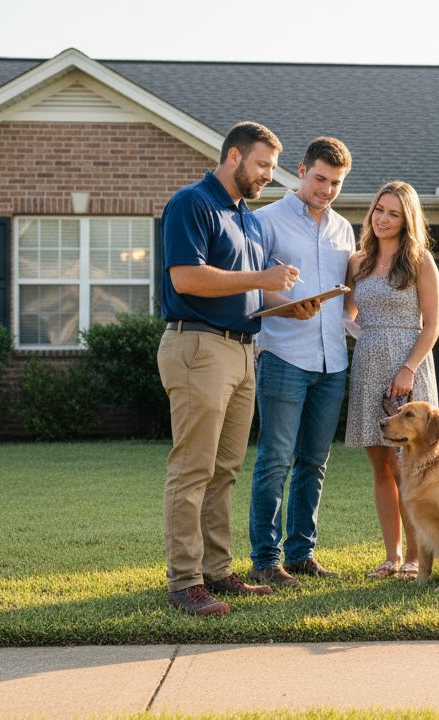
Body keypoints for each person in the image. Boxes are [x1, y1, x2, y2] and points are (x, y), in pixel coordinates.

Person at [157, 121, 304, 617]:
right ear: (234, 156)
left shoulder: (250, 220)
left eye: (272, 168)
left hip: (243, 351)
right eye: (262, 165)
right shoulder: (192, 203)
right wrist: (263, 278)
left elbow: (251, 292)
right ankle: (185, 582)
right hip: (198, 347)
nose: (268, 176)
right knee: (192, 468)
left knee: (224, 471)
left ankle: (217, 571)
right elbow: (188, 278)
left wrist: (290, 307)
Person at [247, 136, 355, 587]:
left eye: (336, 183)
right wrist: (289, 306)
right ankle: (264, 560)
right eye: (320, 179)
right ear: (302, 170)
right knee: (275, 460)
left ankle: (301, 553)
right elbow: (251, 287)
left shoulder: (344, 229)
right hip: (284, 355)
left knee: (314, 461)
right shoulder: (264, 221)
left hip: (333, 362)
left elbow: (348, 298)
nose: (326, 190)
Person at [343, 180, 439, 580]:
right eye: (379, 210)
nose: (382, 219)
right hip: (368, 367)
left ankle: (418, 557)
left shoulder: (420, 260)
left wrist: (407, 368)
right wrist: (365, 336)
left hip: (409, 366)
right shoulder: (357, 262)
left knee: (409, 468)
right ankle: (392, 556)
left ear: (406, 220)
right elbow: (347, 312)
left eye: (393, 214)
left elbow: (433, 324)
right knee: (381, 466)